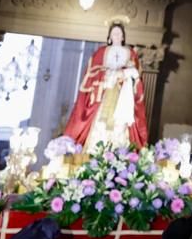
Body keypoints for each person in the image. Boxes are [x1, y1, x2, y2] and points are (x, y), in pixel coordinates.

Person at [61, 20, 148, 151]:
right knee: (99, 126)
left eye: (119, 33)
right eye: (114, 33)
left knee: (120, 126)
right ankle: (95, 154)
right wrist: (108, 74)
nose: (117, 36)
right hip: (103, 92)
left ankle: (118, 155)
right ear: (109, 37)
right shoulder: (102, 52)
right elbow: (91, 72)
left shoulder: (130, 53)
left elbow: (137, 76)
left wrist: (127, 73)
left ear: (123, 37)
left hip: (122, 96)